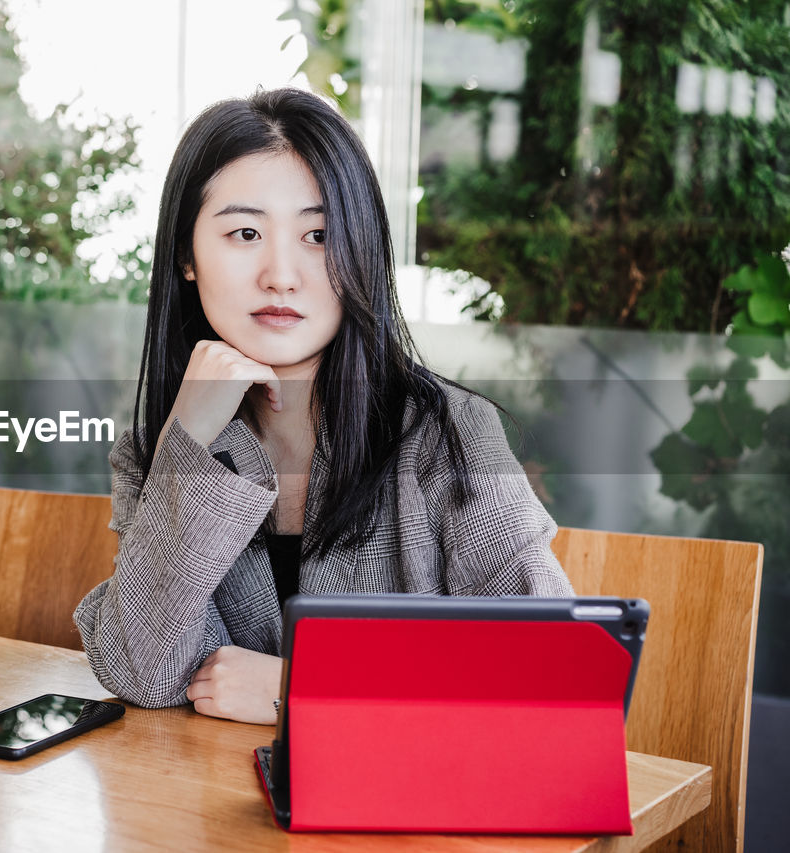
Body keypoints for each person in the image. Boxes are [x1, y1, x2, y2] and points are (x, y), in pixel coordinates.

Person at [73, 87, 573, 726]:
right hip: (216, 813)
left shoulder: (447, 433)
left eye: (318, 235)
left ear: (359, 252)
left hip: (398, 815)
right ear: (185, 257)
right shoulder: (162, 445)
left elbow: (547, 670)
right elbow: (142, 672)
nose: (281, 274)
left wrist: (298, 690)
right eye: (245, 232)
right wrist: (188, 442)